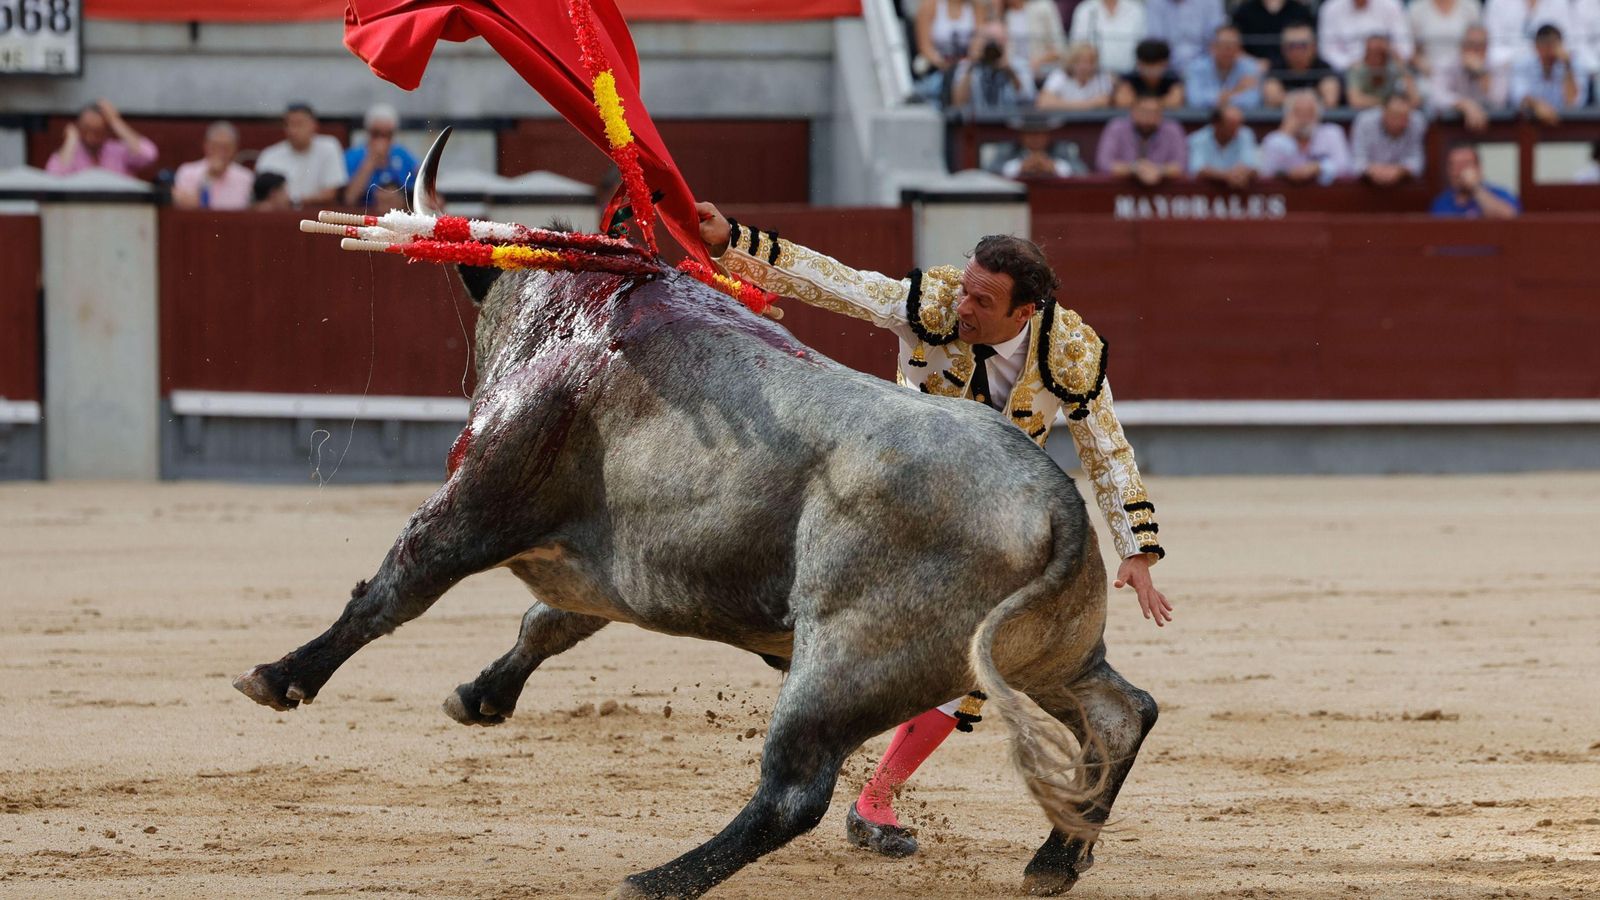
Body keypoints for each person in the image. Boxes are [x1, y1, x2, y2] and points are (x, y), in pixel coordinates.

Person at [692, 203, 1171, 862]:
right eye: (967, 288)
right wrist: (738, 242)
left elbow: (1107, 451)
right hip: (894, 487)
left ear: (1024, 312)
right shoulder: (935, 302)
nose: (965, 305)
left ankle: (875, 798)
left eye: (983, 299)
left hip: (984, 513)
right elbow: (842, 284)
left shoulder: (1069, 351)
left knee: (971, 657)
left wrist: (1136, 548)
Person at [255, 103, 348, 207]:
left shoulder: (329, 147)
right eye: (288, 124)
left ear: (314, 125)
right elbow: (261, 198)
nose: (292, 130)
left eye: (299, 124)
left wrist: (293, 201)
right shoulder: (269, 155)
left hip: (315, 217)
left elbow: (330, 193)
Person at [44, 99, 157, 178]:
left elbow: (148, 155)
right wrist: (71, 141)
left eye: (97, 132)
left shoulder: (119, 151)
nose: (90, 138)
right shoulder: (70, 153)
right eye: (85, 130)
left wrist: (115, 122)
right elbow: (54, 178)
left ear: (107, 131)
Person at [1259, 89, 1352, 182]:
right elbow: (1269, 171)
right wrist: (1285, 135)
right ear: (1288, 115)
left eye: (1309, 113)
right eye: (1298, 113)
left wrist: (1318, 168)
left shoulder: (1332, 132)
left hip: (1327, 193)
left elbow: (1344, 166)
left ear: (1318, 115)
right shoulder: (1276, 140)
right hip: (1289, 193)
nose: (1304, 119)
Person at [1429, 25, 1509, 129]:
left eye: (1480, 46)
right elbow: (1436, 97)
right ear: (1462, 46)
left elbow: (1499, 101)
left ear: (1487, 48)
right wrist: (1464, 104)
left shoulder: (1497, 66)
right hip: (1452, 127)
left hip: (1488, 127)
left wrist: (1481, 74)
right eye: (1470, 45)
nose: (1475, 51)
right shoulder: (1446, 64)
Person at [1097, 93, 1188, 183]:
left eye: (1154, 112)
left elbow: (1181, 165)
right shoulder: (1116, 127)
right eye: (1143, 111)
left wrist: (1159, 170)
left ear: (1161, 114)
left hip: (1165, 192)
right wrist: (1134, 169)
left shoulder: (1173, 130)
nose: (1148, 117)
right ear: (1132, 111)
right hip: (1121, 190)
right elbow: (1104, 163)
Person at [342, 104, 419, 207]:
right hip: (364, 215)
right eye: (376, 133)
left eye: (388, 134)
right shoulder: (352, 156)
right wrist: (370, 162)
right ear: (368, 132)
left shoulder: (402, 154)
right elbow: (349, 199)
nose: (382, 140)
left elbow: (418, 189)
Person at [1509, 24, 1588, 123]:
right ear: (1536, 46)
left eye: (1553, 45)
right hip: (1532, 123)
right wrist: (1536, 105)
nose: (1549, 50)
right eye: (1545, 45)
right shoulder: (1523, 64)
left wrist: (1567, 67)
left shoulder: (1573, 63)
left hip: (1566, 124)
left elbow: (1574, 102)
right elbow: (1518, 96)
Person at [951, 24, 1038, 113]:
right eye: (989, 40)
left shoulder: (1019, 64)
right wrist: (972, 65)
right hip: (978, 122)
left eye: (998, 40)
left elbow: (1028, 98)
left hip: (1009, 121)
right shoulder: (967, 66)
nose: (994, 46)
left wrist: (1009, 70)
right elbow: (958, 102)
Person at [171, 121, 254, 211]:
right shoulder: (187, 171)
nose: (220, 152)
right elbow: (186, 205)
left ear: (235, 148)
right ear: (206, 145)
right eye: (215, 146)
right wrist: (209, 176)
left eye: (226, 148)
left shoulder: (246, 176)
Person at [915, 0, 988, 103]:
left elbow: (979, 42)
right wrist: (945, 64)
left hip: (968, 67)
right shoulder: (930, 5)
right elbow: (924, 47)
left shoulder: (977, 8)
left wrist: (967, 63)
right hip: (937, 69)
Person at [1350, 93, 1427, 185]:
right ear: (1383, 113)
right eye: (1395, 116)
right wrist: (1372, 169)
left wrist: (1400, 170)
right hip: (1367, 185)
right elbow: (1356, 162)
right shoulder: (1364, 121)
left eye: (1405, 118)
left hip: (1402, 184)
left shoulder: (1417, 122)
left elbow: (1417, 161)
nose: (1401, 122)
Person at [1316, 0, 1415, 71]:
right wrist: (1350, 65)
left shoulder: (1392, 4)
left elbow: (1405, 47)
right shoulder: (1330, 8)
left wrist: (1386, 52)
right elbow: (1327, 51)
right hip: (1347, 72)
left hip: (1387, 69)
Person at [1185, 24, 1267, 107]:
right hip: (1205, 118)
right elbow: (1195, 100)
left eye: (1232, 46)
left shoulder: (1250, 67)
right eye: (1224, 46)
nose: (1228, 51)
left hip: (1240, 117)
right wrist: (1236, 91)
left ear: (1239, 48)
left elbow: (1252, 101)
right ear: (1213, 47)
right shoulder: (1196, 67)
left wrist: (1218, 99)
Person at [1430, 143, 1520, 216]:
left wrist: (1475, 188)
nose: (1460, 171)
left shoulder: (1500, 194)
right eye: (1455, 165)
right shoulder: (1441, 203)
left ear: (1479, 169)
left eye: (1465, 164)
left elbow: (1511, 220)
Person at [1264, 24, 1344, 106]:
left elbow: (1330, 100)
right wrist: (1311, 98)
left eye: (1303, 45)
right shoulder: (1276, 68)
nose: (1297, 50)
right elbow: (1272, 98)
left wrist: (1288, 98)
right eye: (1292, 45)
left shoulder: (1323, 68)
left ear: (1314, 47)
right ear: (1283, 48)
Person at [1188, 103, 1261, 187]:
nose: (1237, 130)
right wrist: (1226, 176)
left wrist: (1242, 173)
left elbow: (1253, 167)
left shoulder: (1246, 134)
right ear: (1216, 125)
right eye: (1231, 125)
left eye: (1239, 124)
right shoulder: (1198, 139)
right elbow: (1197, 169)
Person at [1483, 0, 1571, 68]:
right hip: (1507, 68)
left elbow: (1566, 43)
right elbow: (1491, 45)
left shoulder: (1560, 2)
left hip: (1548, 66)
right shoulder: (1497, 2)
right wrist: (1522, 59)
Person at [1068, 0, 1147, 74]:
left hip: (1130, 77)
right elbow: (1076, 48)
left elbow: (1143, 48)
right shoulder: (1084, 9)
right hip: (1092, 78)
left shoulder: (1137, 10)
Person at [1408, 0, 1483, 78]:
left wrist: (1470, 62)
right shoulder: (1416, 9)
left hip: (1465, 76)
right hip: (1428, 76)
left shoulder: (1471, 6)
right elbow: (1409, 51)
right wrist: (1422, 65)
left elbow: (1479, 44)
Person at [1145, 0, 1227, 71]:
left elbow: (1216, 38)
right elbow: (1156, 42)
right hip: (1166, 68)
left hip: (1206, 66)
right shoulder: (1155, 2)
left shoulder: (1211, 2)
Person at [1346, 32, 1421, 108]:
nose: (1376, 56)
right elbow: (1356, 101)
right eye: (1372, 51)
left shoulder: (1394, 68)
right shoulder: (1357, 69)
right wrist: (1385, 102)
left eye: (1380, 51)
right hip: (1367, 111)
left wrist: (1400, 64)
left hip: (1393, 112)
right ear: (1366, 51)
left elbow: (1415, 99)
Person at [1231, 0, 1315, 67]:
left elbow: (1312, 46)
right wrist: (1253, 63)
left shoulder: (1301, 12)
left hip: (1292, 70)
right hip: (1253, 70)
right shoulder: (1243, 12)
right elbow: (1233, 46)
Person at [1004, 0, 1071, 82]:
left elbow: (1060, 49)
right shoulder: (1006, 15)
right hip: (1014, 73)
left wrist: (1040, 60)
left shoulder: (1044, 7)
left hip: (1043, 71)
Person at [1038, 41, 1116, 108]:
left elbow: (1106, 101)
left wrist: (1059, 103)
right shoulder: (1059, 76)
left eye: (1089, 62)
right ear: (1071, 61)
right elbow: (1043, 102)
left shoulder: (1101, 78)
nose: (1085, 66)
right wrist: (1089, 104)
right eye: (1080, 61)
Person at [1114, 38, 1187, 106]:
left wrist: (1139, 102)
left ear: (1166, 63)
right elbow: (1123, 101)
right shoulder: (1129, 77)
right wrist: (1160, 102)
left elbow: (1175, 101)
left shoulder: (1173, 78)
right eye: (1146, 65)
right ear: (1138, 63)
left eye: (1155, 66)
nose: (1150, 71)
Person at [1002, 119, 1076, 176]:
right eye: (1031, 133)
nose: (1035, 138)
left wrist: (1055, 167)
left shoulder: (1060, 148)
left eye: (1039, 133)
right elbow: (993, 171)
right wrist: (1019, 167)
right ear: (1022, 135)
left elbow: (1081, 171)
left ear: (1048, 135)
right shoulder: (1009, 148)